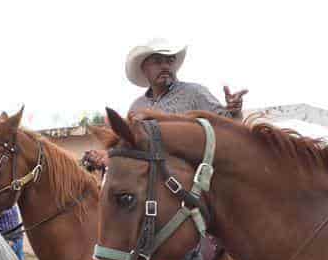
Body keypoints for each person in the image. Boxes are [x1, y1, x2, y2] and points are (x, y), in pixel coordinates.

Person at [82, 40, 248, 170]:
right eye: (157, 61)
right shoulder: (136, 107)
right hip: (154, 186)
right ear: (144, 69)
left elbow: (229, 128)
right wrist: (107, 156)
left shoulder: (195, 93)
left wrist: (234, 111)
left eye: (169, 61)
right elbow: (131, 148)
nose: (165, 66)